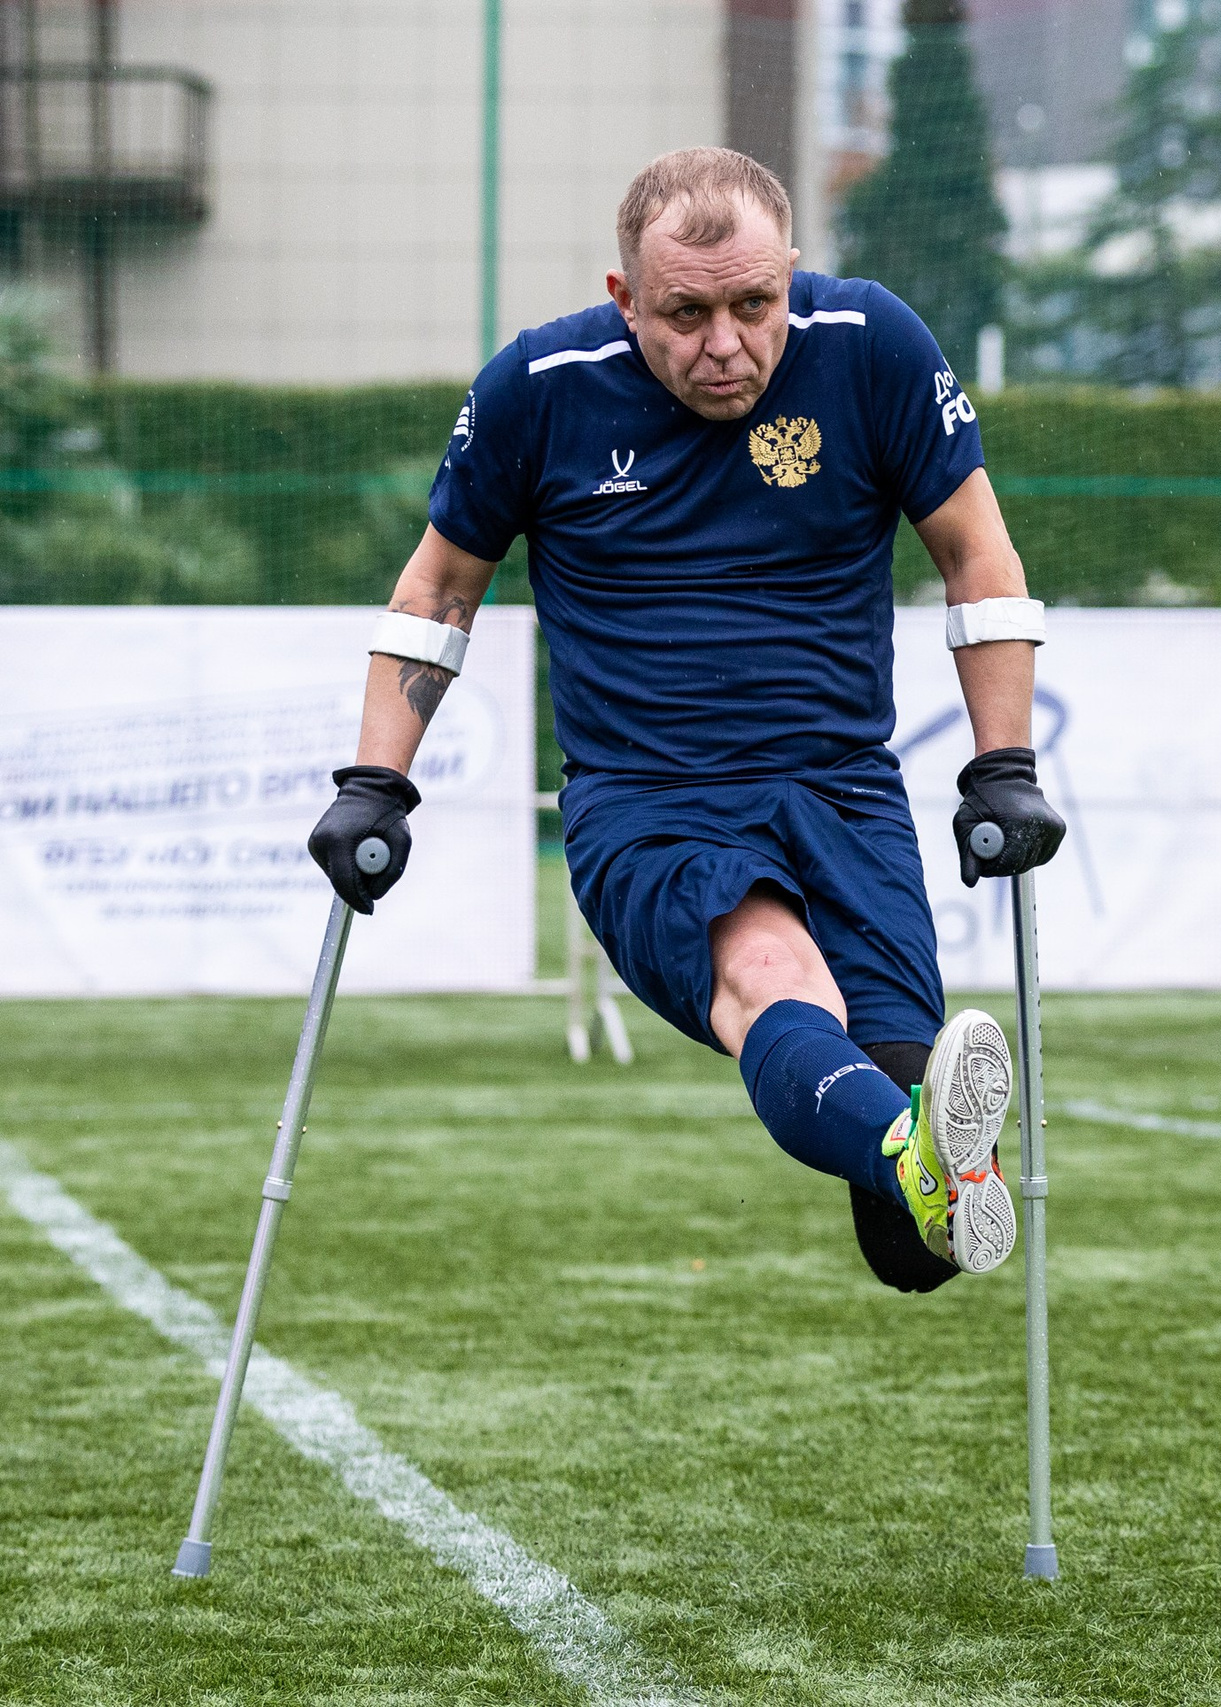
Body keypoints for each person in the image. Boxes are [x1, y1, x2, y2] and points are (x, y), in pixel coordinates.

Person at [305, 147, 1063, 1294]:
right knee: (768, 970)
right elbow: (439, 588)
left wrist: (1003, 765)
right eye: (686, 313)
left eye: (755, 306)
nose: (726, 344)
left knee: (913, 1247)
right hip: (650, 802)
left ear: (793, 277)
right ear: (625, 298)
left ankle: (907, 1156)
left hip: (843, 791)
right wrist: (375, 785)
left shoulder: (871, 348)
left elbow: (976, 555)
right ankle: (914, 1150)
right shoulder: (541, 385)